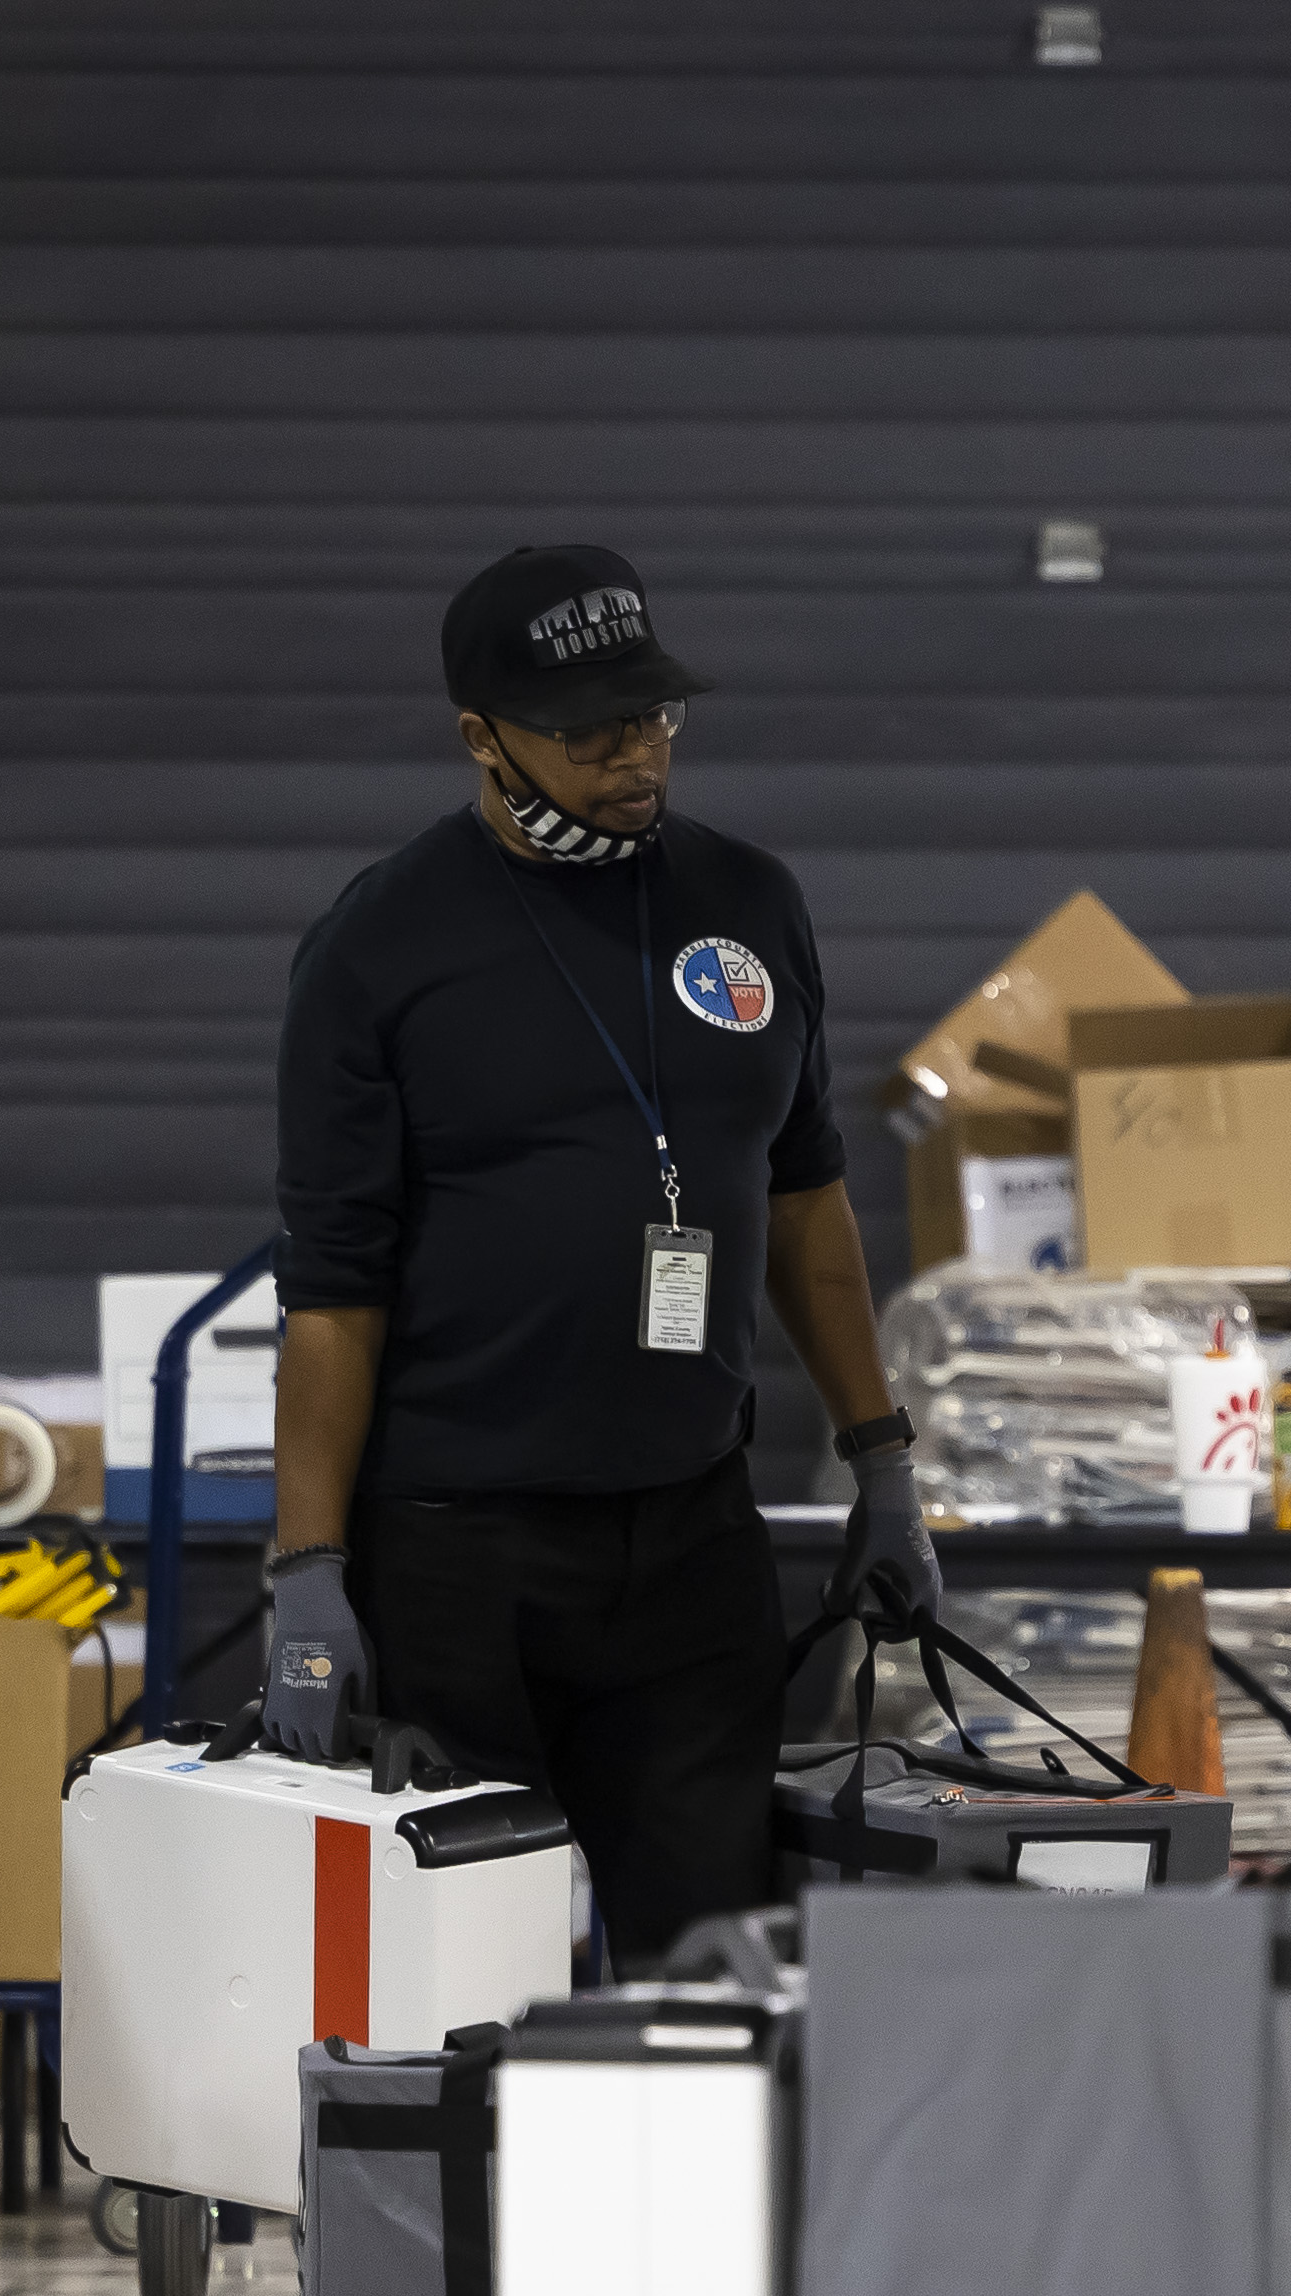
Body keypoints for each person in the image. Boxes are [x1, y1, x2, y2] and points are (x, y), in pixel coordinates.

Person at [264, 545, 936, 1964]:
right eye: (589, 732)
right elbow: (332, 1290)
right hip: (453, 1553)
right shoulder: (379, 947)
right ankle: (469, 2200)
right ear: (480, 737)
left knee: (711, 1964)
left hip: (688, 1535)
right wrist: (305, 1572)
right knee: (455, 1983)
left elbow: (806, 1200)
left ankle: (690, 2197)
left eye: (653, 718)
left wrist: (883, 1460)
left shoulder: (749, 904)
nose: (636, 755)